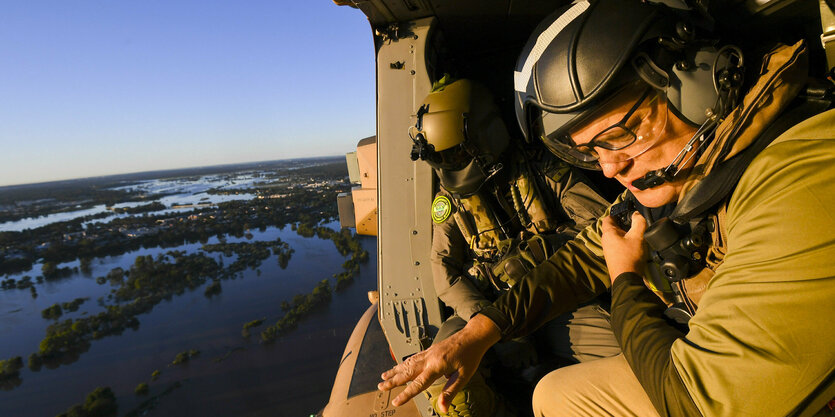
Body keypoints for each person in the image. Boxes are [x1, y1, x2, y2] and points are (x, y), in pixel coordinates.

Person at [380, 1, 835, 416]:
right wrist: (480, 330)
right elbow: (585, 253)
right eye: (590, 152)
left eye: (618, 135)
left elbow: (697, 405)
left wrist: (625, 280)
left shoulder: (804, 179)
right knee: (546, 394)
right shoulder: (678, 174)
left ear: (699, 87)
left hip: (706, 396)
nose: (611, 167)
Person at [408, 77, 618, 416]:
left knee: (621, 356)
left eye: (458, 154)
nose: (452, 164)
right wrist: (484, 322)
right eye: (445, 158)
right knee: (447, 386)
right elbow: (443, 270)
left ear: (484, 135)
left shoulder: (545, 168)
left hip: (556, 298)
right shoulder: (450, 201)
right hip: (483, 307)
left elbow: (603, 227)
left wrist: (539, 254)